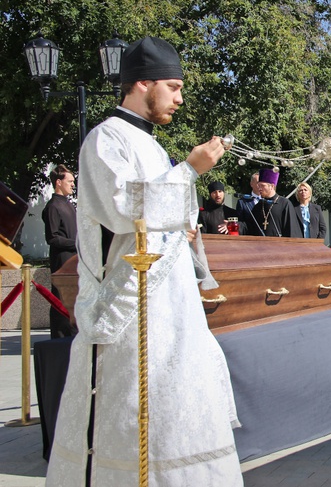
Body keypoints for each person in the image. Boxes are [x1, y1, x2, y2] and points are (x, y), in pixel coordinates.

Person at [46, 36, 242, 485]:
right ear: (142, 83)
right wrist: (189, 170)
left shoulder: (152, 145)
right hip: (131, 311)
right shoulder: (105, 139)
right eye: (173, 87)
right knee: (134, 413)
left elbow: (167, 217)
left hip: (171, 310)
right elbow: (122, 209)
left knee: (175, 413)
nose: (179, 98)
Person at [42, 164, 79, 338]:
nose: (73, 184)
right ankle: (60, 339)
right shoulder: (53, 207)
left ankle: (72, 337)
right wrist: (77, 243)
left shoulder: (69, 204)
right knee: (62, 301)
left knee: (74, 301)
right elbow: (53, 238)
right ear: (58, 182)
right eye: (69, 181)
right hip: (62, 261)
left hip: (74, 260)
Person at [242, 168, 300, 237]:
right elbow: (250, 227)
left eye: (262, 185)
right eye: (258, 185)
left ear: (272, 186)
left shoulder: (284, 204)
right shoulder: (259, 206)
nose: (259, 188)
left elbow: (292, 230)